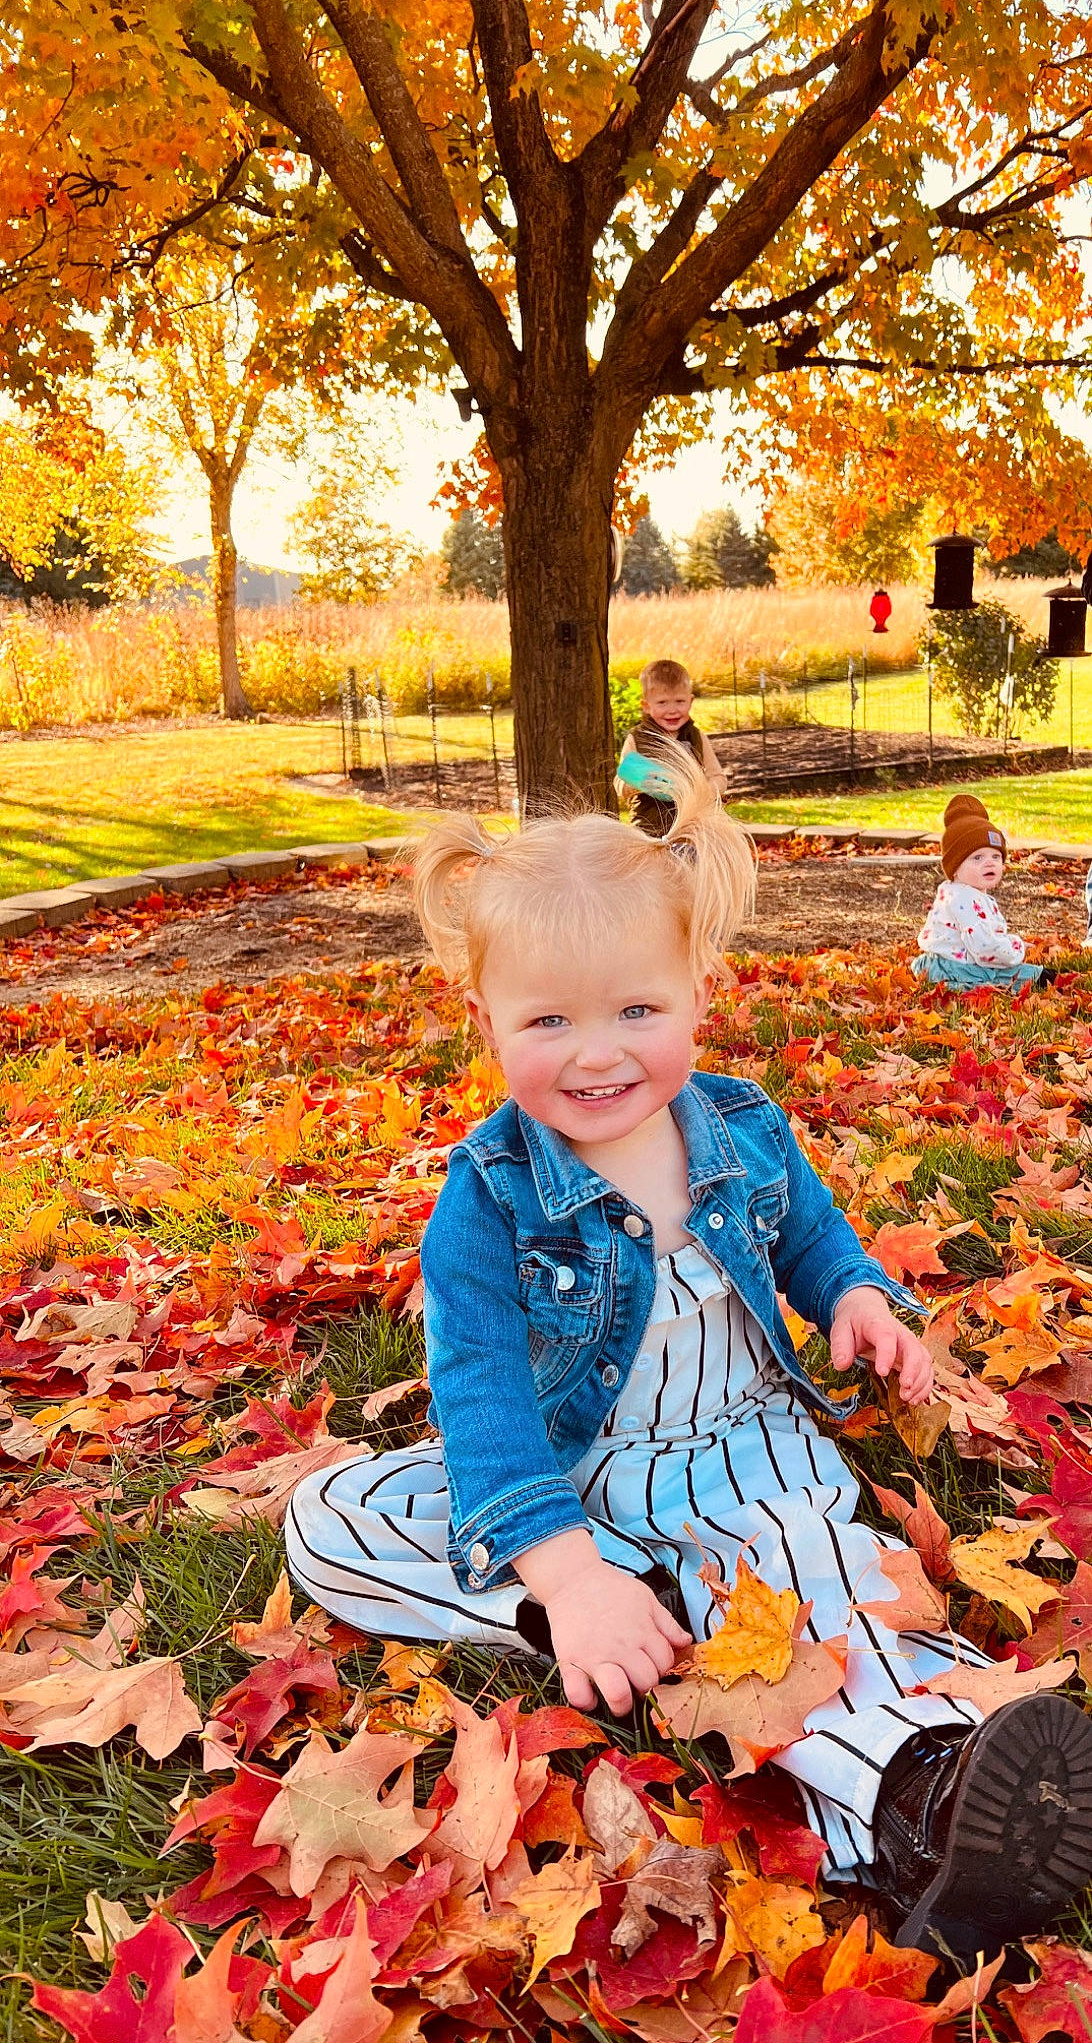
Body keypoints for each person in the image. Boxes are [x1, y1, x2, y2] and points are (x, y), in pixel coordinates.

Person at [286, 752, 1092, 1965]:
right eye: (549, 1019)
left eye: (636, 1011)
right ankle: (610, 1616)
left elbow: (815, 1240)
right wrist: (563, 1574)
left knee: (806, 1578)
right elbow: (484, 1393)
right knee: (330, 1512)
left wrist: (858, 1299)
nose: (597, 1053)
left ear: (698, 992)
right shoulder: (487, 1201)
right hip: (572, 1476)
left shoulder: (745, 1127)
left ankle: (928, 1780)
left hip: (738, 1453)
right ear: (485, 1021)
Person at [912, 794, 1044, 991]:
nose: (989, 862)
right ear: (955, 867)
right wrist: (1017, 948)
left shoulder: (958, 891)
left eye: (996, 856)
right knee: (1032, 976)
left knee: (1021, 973)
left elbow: (985, 936)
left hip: (944, 962)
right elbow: (986, 950)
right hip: (956, 968)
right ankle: (957, 987)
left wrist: (1012, 942)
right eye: (977, 858)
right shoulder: (965, 900)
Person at [615, 657, 727, 836]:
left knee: (690, 864)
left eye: (679, 701)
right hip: (648, 829)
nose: (672, 710)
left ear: (690, 701)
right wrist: (641, 783)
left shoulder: (696, 737)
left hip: (691, 828)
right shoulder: (637, 738)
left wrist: (704, 790)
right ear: (646, 706)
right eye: (662, 703)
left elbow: (718, 777)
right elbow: (620, 782)